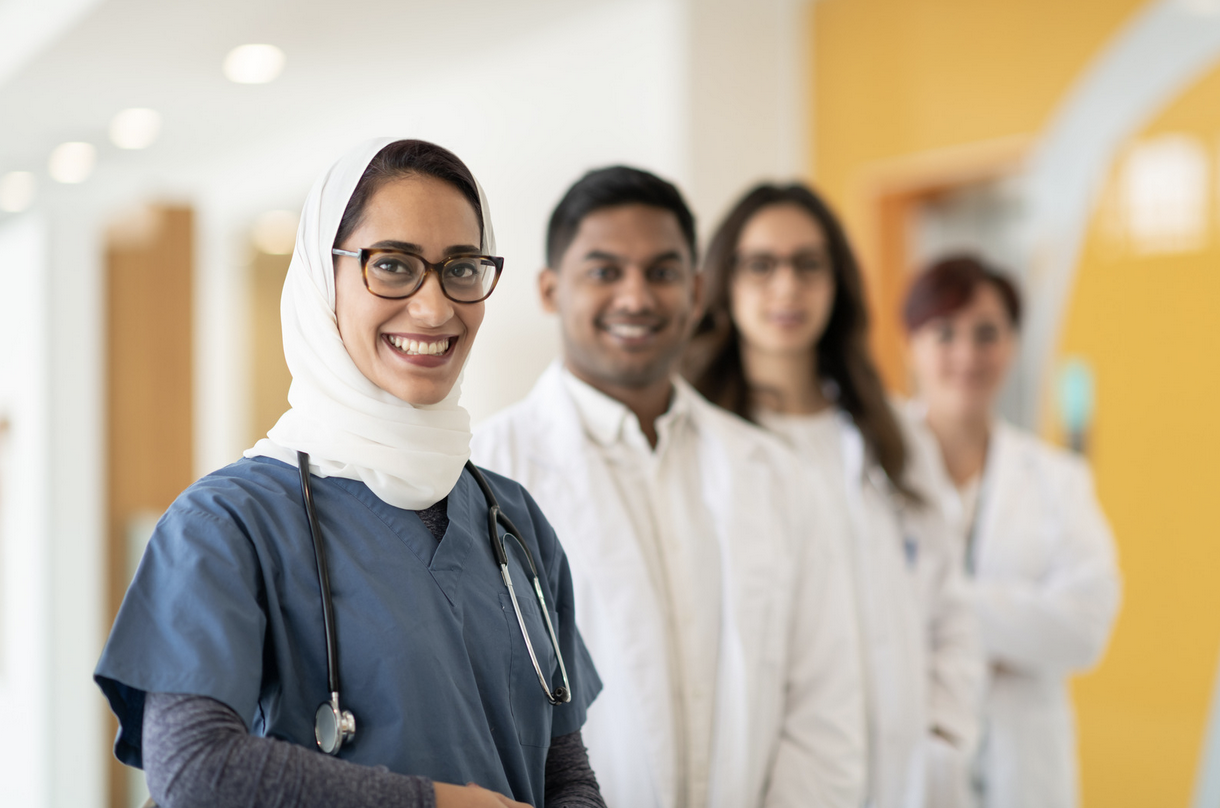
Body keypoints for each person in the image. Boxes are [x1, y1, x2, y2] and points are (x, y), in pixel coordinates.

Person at [94, 138, 603, 808]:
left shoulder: (511, 519)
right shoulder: (226, 523)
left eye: (462, 267)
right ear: (319, 280)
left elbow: (563, 774)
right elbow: (195, 771)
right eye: (392, 265)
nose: (434, 307)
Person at [471, 167, 865, 808]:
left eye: (661, 271)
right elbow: (478, 720)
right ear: (549, 290)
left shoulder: (775, 472)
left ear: (698, 288)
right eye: (604, 272)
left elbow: (825, 705)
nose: (636, 297)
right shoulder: (482, 477)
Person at [684, 182, 983, 808]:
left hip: (906, 770)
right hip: (766, 776)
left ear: (836, 282)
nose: (787, 287)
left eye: (808, 264)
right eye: (761, 265)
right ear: (722, 282)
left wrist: (944, 733)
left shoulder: (891, 433)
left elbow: (951, 603)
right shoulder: (700, 441)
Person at [901, 255, 1121, 808]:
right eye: (944, 333)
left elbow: (1085, 628)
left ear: (1013, 346)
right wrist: (1013, 625)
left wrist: (936, 616)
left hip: (1025, 778)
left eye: (987, 334)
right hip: (902, 765)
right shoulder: (869, 467)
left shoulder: (1057, 480)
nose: (967, 355)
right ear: (911, 346)